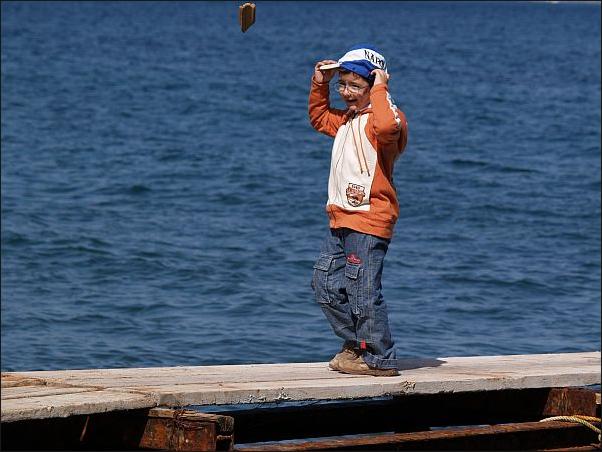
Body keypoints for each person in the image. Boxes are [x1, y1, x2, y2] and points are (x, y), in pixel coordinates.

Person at [308, 44, 408, 376]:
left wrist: (380, 87)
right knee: (324, 284)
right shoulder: (347, 120)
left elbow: (387, 128)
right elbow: (319, 117)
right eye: (342, 84)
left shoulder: (386, 120)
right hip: (340, 218)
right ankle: (357, 344)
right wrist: (320, 83)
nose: (346, 92)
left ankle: (379, 358)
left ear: (374, 84)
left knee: (363, 291)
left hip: (369, 220)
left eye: (355, 85)